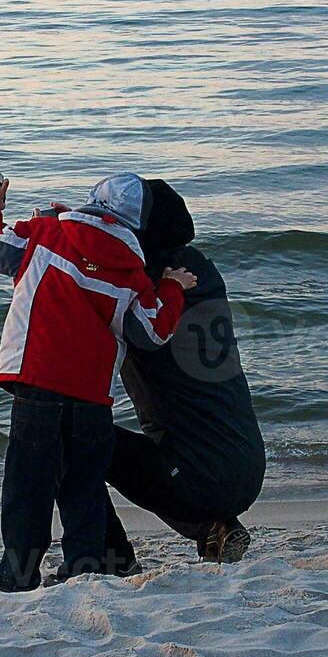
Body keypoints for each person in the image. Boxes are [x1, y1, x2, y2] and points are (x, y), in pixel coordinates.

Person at [0, 172, 196, 592]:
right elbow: (151, 331)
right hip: (92, 395)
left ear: (91, 202)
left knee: (27, 487)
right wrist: (172, 287)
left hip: (35, 381)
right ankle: (86, 571)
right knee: (82, 488)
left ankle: (18, 578)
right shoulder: (132, 270)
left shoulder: (47, 233)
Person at [101, 179, 267, 569]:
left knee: (72, 439)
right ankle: (214, 526)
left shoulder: (140, 290)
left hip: (198, 476)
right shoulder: (201, 271)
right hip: (248, 465)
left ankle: (111, 560)